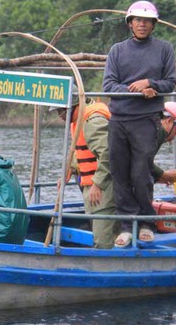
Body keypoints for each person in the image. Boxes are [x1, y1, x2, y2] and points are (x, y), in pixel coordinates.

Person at [102, 0, 176, 247]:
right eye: (137, 20)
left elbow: (170, 82)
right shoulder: (117, 51)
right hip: (119, 119)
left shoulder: (164, 49)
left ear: (154, 24)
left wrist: (151, 83)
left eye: (147, 21)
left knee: (141, 173)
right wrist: (134, 90)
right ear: (130, 23)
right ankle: (126, 225)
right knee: (120, 173)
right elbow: (109, 85)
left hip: (146, 120)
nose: (142, 24)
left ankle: (146, 222)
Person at [51, 97, 117, 249]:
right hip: (92, 189)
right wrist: (70, 169)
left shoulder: (93, 121)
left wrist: (98, 184)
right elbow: (81, 152)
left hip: (105, 190)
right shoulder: (79, 121)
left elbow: (107, 153)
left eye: (62, 111)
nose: (60, 116)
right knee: (100, 234)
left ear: (75, 106)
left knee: (103, 241)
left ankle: (107, 269)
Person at [152, 102, 176, 185]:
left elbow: (140, 169)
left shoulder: (147, 127)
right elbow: (143, 162)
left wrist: (158, 178)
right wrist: (165, 175)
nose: (173, 138)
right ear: (169, 121)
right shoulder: (159, 131)